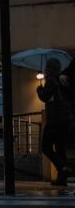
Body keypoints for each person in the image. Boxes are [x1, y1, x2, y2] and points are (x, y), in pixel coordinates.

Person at [37, 58, 72, 187]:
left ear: (50, 68)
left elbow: (45, 96)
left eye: (47, 66)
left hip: (56, 120)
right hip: (66, 119)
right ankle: (62, 179)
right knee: (60, 147)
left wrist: (39, 89)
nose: (45, 68)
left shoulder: (51, 80)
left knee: (46, 147)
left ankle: (62, 167)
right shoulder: (61, 79)